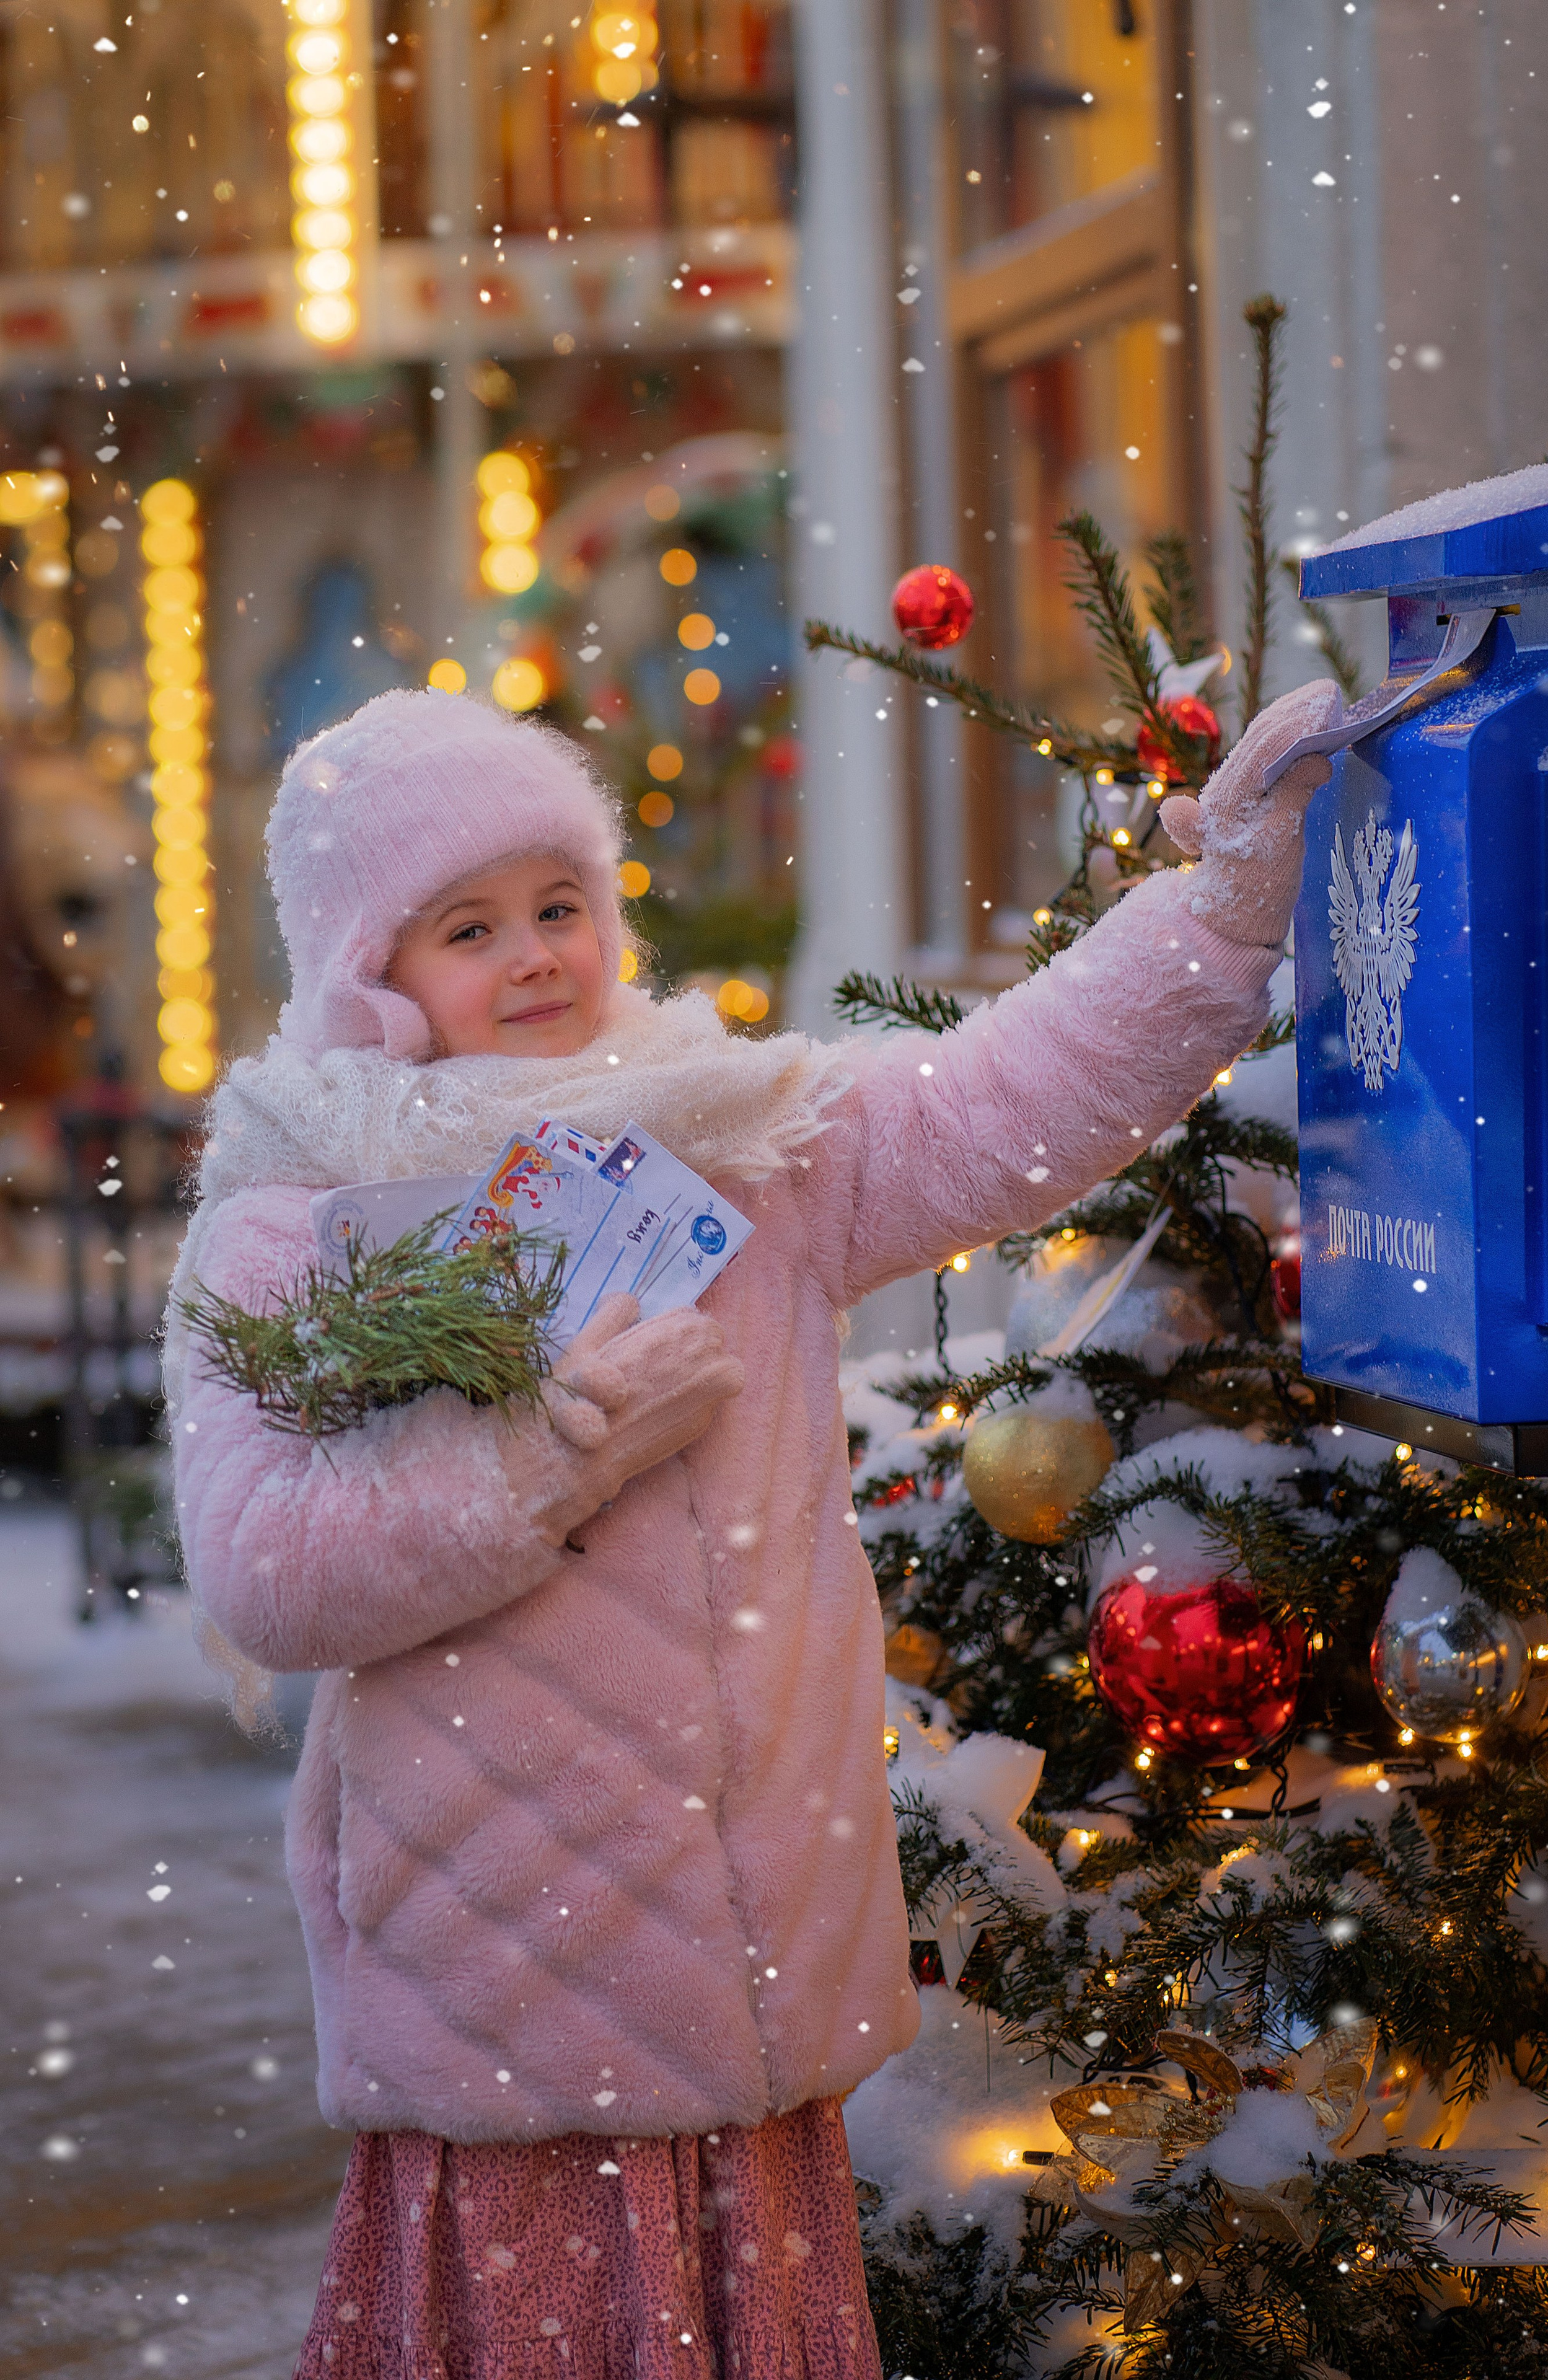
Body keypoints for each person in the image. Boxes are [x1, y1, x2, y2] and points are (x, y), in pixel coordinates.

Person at [164, 676, 1340, 2379]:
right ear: (367, 976)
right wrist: (538, 1467)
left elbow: (1004, 1097)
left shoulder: (737, 1140)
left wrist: (1220, 909)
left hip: (754, 1976)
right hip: (507, 2004)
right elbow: (268, 1570)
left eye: (558, 904)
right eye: (468, 927)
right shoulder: (297, 1220)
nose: (538, 954)